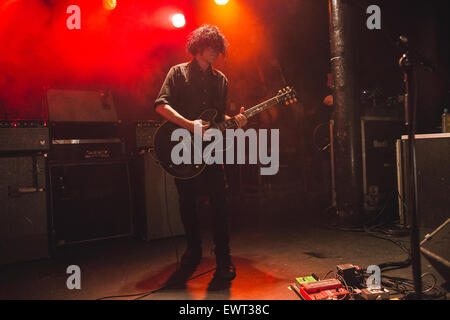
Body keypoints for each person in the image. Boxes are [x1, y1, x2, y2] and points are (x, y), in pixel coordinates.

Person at [154, 25, 247, 281]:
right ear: (198, 46)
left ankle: (223, 258)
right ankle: (193, 252)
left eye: (219, 47)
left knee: (220, 203)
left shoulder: (221, 80)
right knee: (188, 203)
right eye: (211, 46)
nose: (216, 51)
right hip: (183, 148)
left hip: (211, 151)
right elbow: (161, 105)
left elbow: (217, 118)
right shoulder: (178, 73)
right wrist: (189, 125)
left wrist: (235, 120)